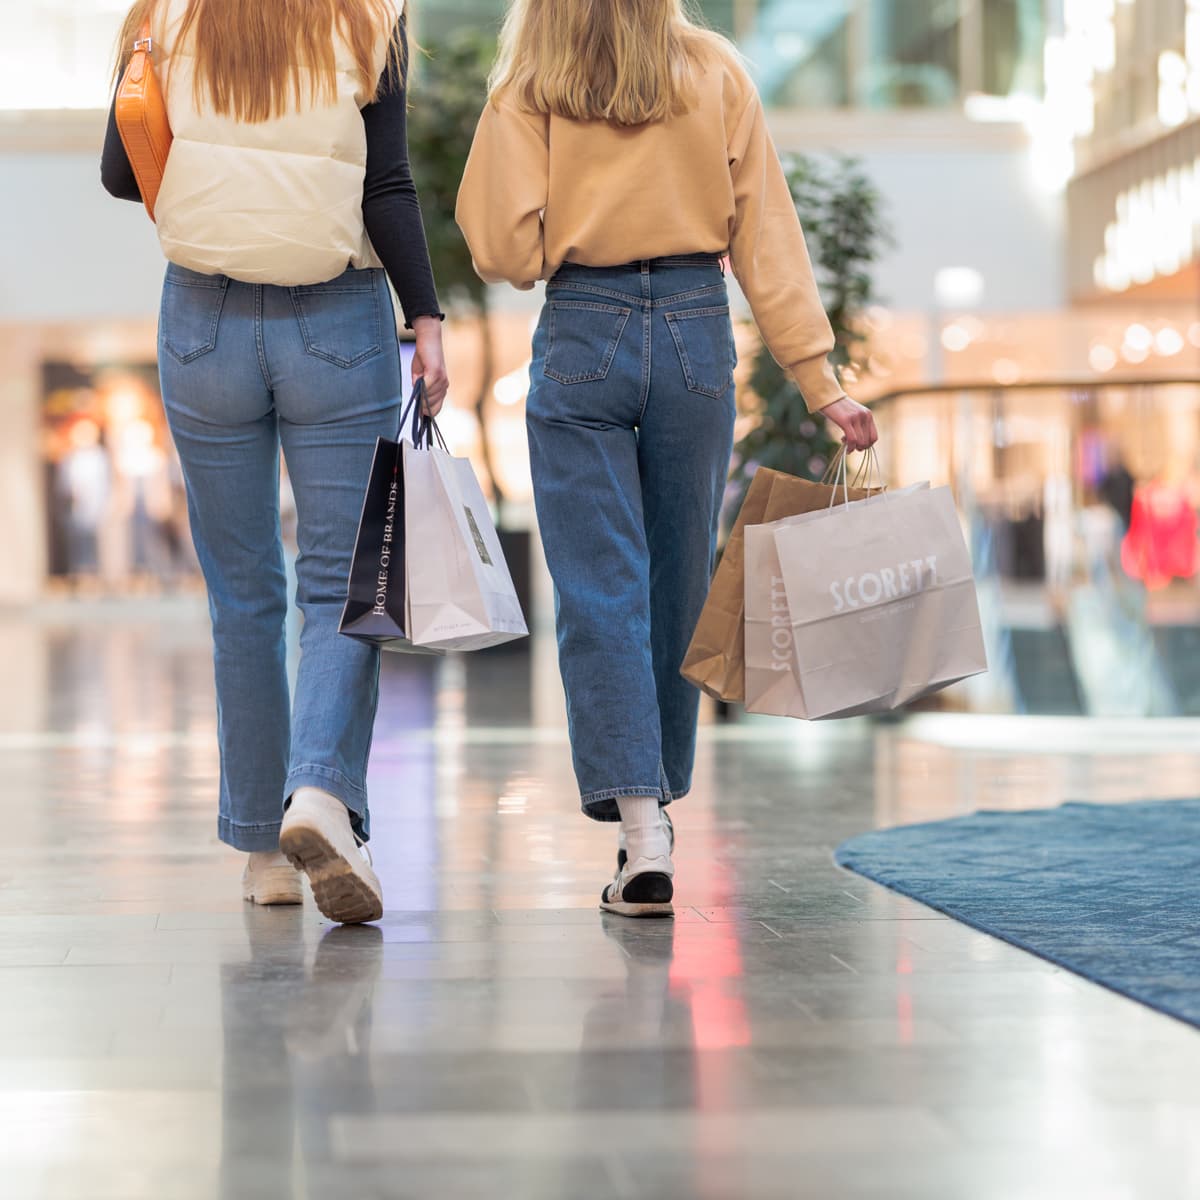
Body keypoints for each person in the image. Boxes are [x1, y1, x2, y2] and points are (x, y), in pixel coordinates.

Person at [456, 0, 878, 918]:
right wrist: (820, 381)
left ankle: (641, 829)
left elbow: (498, 248)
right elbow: (767, 233)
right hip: (696, 329)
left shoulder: (534, 77)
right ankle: (658, 809)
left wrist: (566, 225)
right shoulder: (715, 66)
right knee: (678, 583)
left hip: (582, 327)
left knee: (601, 588)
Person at [102, 0, 447, 924]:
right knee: (349, 582)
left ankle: (262, 850)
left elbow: (115, 171)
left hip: (203, 320)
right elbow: (387, 184)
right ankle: (320, 797)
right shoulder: (373, 15)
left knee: (243, 591)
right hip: (337, 313)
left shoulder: (163, 13)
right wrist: (427, 320)